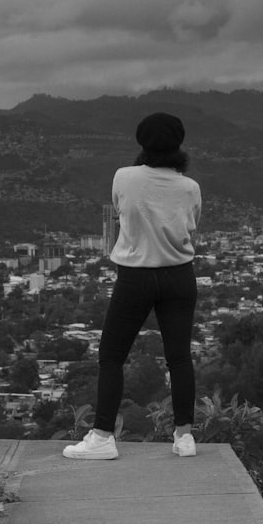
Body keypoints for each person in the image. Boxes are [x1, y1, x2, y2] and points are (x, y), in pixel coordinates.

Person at [63, 112, 202, 460]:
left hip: (136, 276)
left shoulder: (124, 178)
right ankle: (184, 436)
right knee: (179, 357)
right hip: (180, 275)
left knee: (111, 356)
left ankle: (103, 436)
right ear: (178, 142)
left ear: (141, 140)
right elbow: (192, 225)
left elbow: (120, 210)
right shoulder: (190, 187)